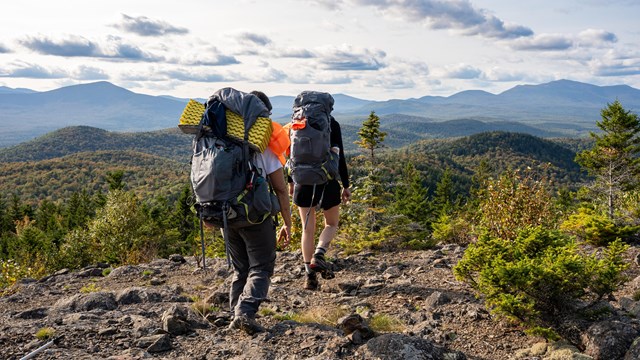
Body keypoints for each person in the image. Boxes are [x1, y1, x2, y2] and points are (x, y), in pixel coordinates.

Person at [207, 90, 292, 335]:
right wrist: (287, 222)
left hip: (226, 214)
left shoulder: (219, 141)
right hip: (255, 217)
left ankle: (236, 312)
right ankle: (244, 313)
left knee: (240, 268)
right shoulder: (262, 146)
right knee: (262, 267)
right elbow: (280, 189)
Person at [289, 115, 351, 290]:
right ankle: (319, 254)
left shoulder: (298, 122)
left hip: (302, 181)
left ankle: (310, 277)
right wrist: (345, 185)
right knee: (331, 224)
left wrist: (291, 182)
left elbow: (291, 153)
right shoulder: (332, 123)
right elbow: (340, 156)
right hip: (327, 181)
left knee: (307, 229)